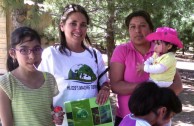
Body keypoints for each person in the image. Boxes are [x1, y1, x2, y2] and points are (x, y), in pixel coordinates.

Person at [38, 4, 110, 126]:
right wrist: (51, 113)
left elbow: (104, 82)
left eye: (83, 25)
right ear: (62, 26)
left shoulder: (95, 54)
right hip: (63, 122)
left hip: (93, 119)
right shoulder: (51, 54)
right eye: (73, 23)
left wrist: (105, 89)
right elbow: (40, 89)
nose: (79, 29)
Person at [110, 10, 183, 126]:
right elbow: (115, 86)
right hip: (128, 118)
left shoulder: (163, 50)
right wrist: (147, 89)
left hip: (159, 121)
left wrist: (150, 91)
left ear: (151, 29)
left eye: (142, 26)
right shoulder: (121, 50)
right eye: (132, 27)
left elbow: (178, 86)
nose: (137, 31)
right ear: (128, 30)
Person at [0, 27, 62, 126]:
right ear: (13, 53)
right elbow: (7, 124)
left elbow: (48, 109)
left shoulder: (49, 79)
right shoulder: (6, 83)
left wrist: (56, 116)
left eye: (36, 49)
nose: (32, 56)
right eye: (24, 50)